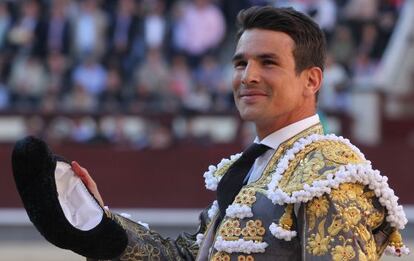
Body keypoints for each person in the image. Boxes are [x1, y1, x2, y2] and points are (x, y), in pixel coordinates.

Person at [12, 6, 409, 261]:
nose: (248, 76)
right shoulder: (247, 167)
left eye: (268, 62)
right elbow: (191, 256)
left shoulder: (330, 174)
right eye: (240, 63)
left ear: (312, 80)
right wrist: (99, 224)